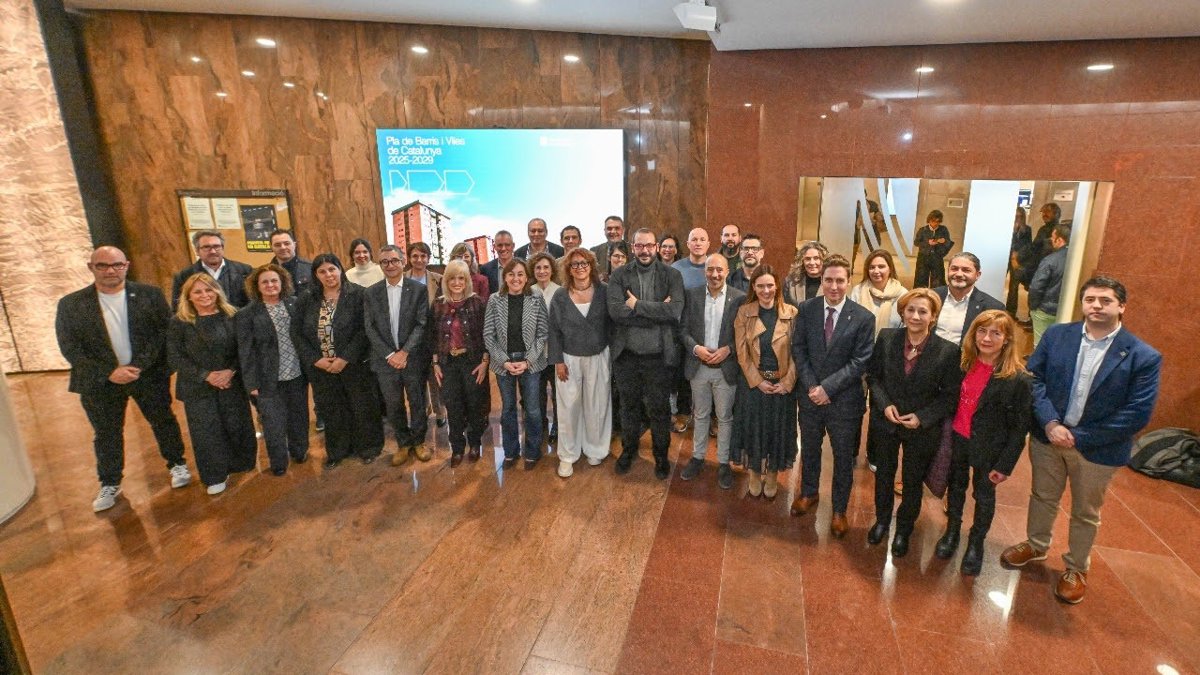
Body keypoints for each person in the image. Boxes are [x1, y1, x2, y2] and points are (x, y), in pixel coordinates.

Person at [1001, 277, 1160, 604]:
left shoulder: (1142, 356)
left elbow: (1137, 413)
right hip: (1048, 437)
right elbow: (1035, 379)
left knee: (1086, 511)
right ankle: (1036, 544)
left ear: (1121, 306)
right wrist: (1050, 423)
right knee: (1042, 495)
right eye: (1090, 299)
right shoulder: (1058, 336)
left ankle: (1076, 568)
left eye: (1105, 300)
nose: (1096, 306)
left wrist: (1077, 436)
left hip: (1097, 449)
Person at [56, 246, 190, 512]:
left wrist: (138, 365)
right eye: (103, 265)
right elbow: (70, 346)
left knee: (163, 420)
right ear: (91, 267)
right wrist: (109, 371)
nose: (111, 271)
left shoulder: (149, 295)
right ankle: (110, 482)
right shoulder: (71, 304)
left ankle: (177, 464)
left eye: (117, 265)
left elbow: (163, 333)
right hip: (100, 381)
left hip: (146, 374)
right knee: (106, 432)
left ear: (126, 265)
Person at [864, 289, 962, 557]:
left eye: (922, 311)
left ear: (933, 316)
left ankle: (904, 530)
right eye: (910, 310)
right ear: (903, 312)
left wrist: (922, 417)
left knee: (912, 480)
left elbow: (949, 397)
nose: (915, 316)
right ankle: (882, 521)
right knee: (883, 475)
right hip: (887, 422)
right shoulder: (887, 338)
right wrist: (884, 405)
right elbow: (873, 377)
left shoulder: (948, 351)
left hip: (921, 428)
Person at [937, 310, 1032, 575]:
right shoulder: (962, 364)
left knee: (983, 495)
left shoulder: (1018, 379)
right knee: (955, 487)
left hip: (989, 448)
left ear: (1007, 339)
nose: (987, 338)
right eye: (982, 331)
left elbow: (1019, 429)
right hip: (958, 437)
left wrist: (1005, 465)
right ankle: (952, 531)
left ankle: (976, 543)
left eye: (995, 333)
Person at [789, 254, 875, 538]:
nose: (834, 286)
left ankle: (839, 509)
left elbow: (860, 361)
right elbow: (799, 349)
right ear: (822, 280)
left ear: (849, 281)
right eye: (828, 280)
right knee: (810, 449)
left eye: (840, 280)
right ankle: (808, 492)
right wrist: (813, 387)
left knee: (843, 458)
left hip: (844, 402)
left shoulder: (863, 317)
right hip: (810, 397)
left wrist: (828, 388)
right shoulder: (807, 309)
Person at [169, 274, 258, 495]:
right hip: (197, 386)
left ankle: (241, 463)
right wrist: (206, 375)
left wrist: (230, 371)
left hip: (231, 382)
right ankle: (215, 475)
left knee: (236, 424)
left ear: (217, 291)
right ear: (188, 296)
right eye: (198, 292)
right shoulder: (179, 322)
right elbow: (175, 356)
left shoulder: (233, 315)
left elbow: (244, 349)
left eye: (209, 290)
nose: (205, 295)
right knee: (207, 431)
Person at [608, 228, 685, 480]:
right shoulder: (619, 275)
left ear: (656, 247)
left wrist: (637, 305)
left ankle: (661, 456)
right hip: (627, 356)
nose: (645, 250)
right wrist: (656, 313)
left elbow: (674, 311)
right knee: (628, 407)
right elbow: (617, 312)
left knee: (659, 409)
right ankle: (629, 450)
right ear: (633, 247)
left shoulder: (672, 275)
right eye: (639, 246)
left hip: (658, 357)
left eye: (649, 245)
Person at [292, 253, 383, 467]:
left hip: (354, 364)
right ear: (315, 275)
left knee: (362, 407)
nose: (328, 275)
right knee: (332, 410)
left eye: (332, 269)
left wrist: (345, 358)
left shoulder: (358, 294)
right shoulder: (307, 298)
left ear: (341, 270)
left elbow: (364, 330)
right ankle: (337, 451)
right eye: (322, 271)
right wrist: (316, 359)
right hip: (321, 368)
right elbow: (296, 333)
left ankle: (368, 448)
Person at [236, 264, 309, 476]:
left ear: (282, 282)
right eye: (265, 282)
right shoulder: (247, 314)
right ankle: (278, 462)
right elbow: (245, 351)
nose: (270, 285)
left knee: (299, 417)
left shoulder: (294, 304)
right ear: (257, 286)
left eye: (274, 280)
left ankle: (300, 451)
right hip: (267, 378)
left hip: (296, 373)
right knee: (273, 424)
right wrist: (251, 382)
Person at [679, 254, 745, 488]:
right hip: (699, 367)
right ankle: (697, 457)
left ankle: (724, 462)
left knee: (725, 417)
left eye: (719, 270)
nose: (715, 274)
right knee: (700, 414)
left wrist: (729, 350)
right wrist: (696, 348)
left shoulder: (739, 298)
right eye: (710, 270)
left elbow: (745, 334)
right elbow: (683, 330)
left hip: (726, 368)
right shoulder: (692, 295)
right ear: (704, 271)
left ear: (727, 271)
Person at [733, 264, 798, 499]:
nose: (766, 290)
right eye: (760, 286)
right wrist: (757, 380)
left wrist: (787, 383)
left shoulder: (792, 313)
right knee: (754, 430)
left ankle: (771, 474)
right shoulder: (744, 312)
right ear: (753, 287)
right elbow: (742, 353)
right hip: (754, 385)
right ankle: (753, 472)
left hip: (782, 387)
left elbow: (799, 353)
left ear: (777, 286)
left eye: (770, 285)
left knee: (777, 431)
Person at [364, 245, 431, 466]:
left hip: (413, 358)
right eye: (385, 262)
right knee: (393, 405)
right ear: (380, 265)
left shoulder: (418, 290)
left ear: (403, 262)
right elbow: (370, 328)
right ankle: (403, 443)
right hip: (385, 361)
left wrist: (404, 352)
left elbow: (422, 324)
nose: (390, 265)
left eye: (394, 260)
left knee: (417, 402)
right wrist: (390, 354)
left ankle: (419, 441)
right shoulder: (371, 293)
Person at [549, 248, 612, 477]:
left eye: (584, 263)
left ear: (591, 265)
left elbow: (613, 324)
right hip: (569, 359)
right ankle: (568, 455)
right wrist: (557, 361)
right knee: (568, 408)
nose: (580, 267)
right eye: (575, 264)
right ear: (568, 269)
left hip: (598, 356)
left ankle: (596, 449)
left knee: (598, 405)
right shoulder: (560, 296)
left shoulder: (604, 291)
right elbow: (554, 331)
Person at [484, 259, 549, 469]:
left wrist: (528, 361)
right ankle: (511, 452)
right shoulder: (495, 299)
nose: (516, 278)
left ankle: (532, 451)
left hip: (531, 362)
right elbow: (488, 335)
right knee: (508, 409)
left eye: (520, 274)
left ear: (526, 277)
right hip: (503, 362)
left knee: (533, 410)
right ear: (505, 277)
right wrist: (503, 361)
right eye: (511, 274)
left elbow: (542, 333)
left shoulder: (536, 298)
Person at [430, 260, 490, 467]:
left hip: (472, 361)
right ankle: (456, 447)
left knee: (474, 404)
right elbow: (433, 337)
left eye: (461, 278)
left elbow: (487, 335)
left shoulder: (477, 303)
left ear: (467, 281)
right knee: (453, 405)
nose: (457, 282)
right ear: (446, 281)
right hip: (447, 363)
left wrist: (485, 361)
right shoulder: (438, 304)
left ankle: (474, 444)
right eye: (452, 278)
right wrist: (435, 363)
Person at [406, 241, 446, 429]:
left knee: (435, 377)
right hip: (410, 336)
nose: (419, 260)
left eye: (423, 256)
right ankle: (425, 408)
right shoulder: (402, 279)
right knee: (416, 377)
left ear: (428, 258)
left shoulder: (439, 279)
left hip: (433, 334)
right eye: (415, 256)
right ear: (409, 258)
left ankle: (440, 411)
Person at [933, 252, 1005, 345]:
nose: (959, 274)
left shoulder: (992, 307)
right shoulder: (932, 296)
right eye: (954, 269)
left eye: (966, 270)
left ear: (977, 275)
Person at [171, 230, 253, 310]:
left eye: (216, 246)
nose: (213, 251)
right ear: (197, 251)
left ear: (223, 248)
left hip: (239, 318)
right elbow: (178, 309)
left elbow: (254, 303)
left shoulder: (244, 271)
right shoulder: (184, 276)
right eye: (206, 247)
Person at [530, 252, 561, 442]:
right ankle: (540, 425)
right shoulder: (527, 291)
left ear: (552, 270)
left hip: (555, 352)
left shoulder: (560, 291)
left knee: (558, 394)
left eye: (546, 267)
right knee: (537, 394)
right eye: (538, 268)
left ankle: (557, 426)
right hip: (534, 354)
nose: (542, 271)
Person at [1028, 224, 1070, 345]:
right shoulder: (1076, 259)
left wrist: (1033, 307)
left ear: (1059, 240)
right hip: (1064, 310)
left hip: (1045, 310)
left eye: (1053, 237)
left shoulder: (1050, 260)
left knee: (1040, 345)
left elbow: (1036, 286)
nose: (1051, 240)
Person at [850, 249, 905, 336]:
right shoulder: (858, 291)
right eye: (872, 267)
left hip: (892, 343)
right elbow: (851, 323)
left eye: (881, 267)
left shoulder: (903, 295)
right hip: (861, 342)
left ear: (890, 269)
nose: (876, 271)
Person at [1020, 202, 1061, 298]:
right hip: (1043, 267)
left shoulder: (1055, 230)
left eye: (1048, 212)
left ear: (1056, 214)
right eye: (1043, 212)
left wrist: (1019, 256)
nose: (1044, 214)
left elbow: (1035, 247)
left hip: (1045, 268)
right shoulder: (1045, 229)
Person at [912, 210, 953, 288]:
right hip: (923, 257)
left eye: (938, 221)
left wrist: (944, 241)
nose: (935, 223)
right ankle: (920, 293)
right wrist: (927, 242)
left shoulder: (943, 229)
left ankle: (937, 293)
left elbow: (948, 242)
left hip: (937, 256)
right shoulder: (922, 230)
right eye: (933, 221)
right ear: (929, 220)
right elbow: (916, 242)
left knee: (938, 278)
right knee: (921, 277)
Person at [1006, 206, 1033, 318]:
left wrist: (1017, 255)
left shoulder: (1027, 229)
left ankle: (1011, 311)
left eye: (1020, 216)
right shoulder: (1007, 227)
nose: (1017, 218)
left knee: (1014, 286)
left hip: (1017, 259)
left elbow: (1028, 245)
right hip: (1004, 257)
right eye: (1015, 216)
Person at [783, 241, 827, 306]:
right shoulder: (790, 282)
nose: (812, 263)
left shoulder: (831, 282)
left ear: (824, 260)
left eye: (816, 258)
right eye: (808, 259)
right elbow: (785, 308)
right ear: (802, 261)